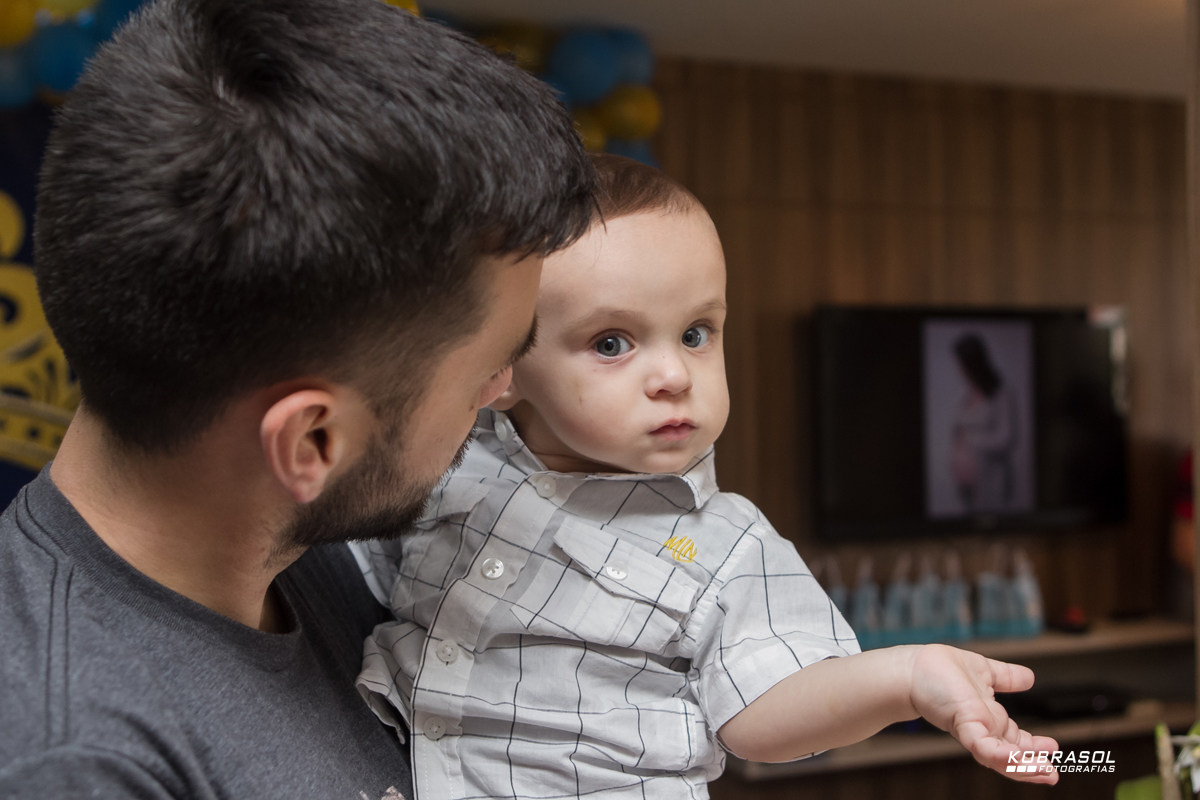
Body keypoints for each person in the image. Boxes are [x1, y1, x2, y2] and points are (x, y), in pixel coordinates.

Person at [0, 0, 596, 797]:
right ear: (311, 443)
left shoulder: (318, 555)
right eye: (487, 369)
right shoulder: (77, 761)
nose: (504, 393)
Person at [354, 155, 1059, 799]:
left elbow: (763, 709)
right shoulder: (441, 464)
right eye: (612, 343)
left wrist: (904, 677)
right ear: (501, 368)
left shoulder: (725, 544)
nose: (673, 375)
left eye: (696, 333)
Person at [950, 333, 1020, 512]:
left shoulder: (1002, 394)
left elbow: (1006, 438)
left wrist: (970, 439)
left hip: (992, 483)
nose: (960, 371)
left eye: (962, 365)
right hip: (968, 488)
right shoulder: (967, 397)